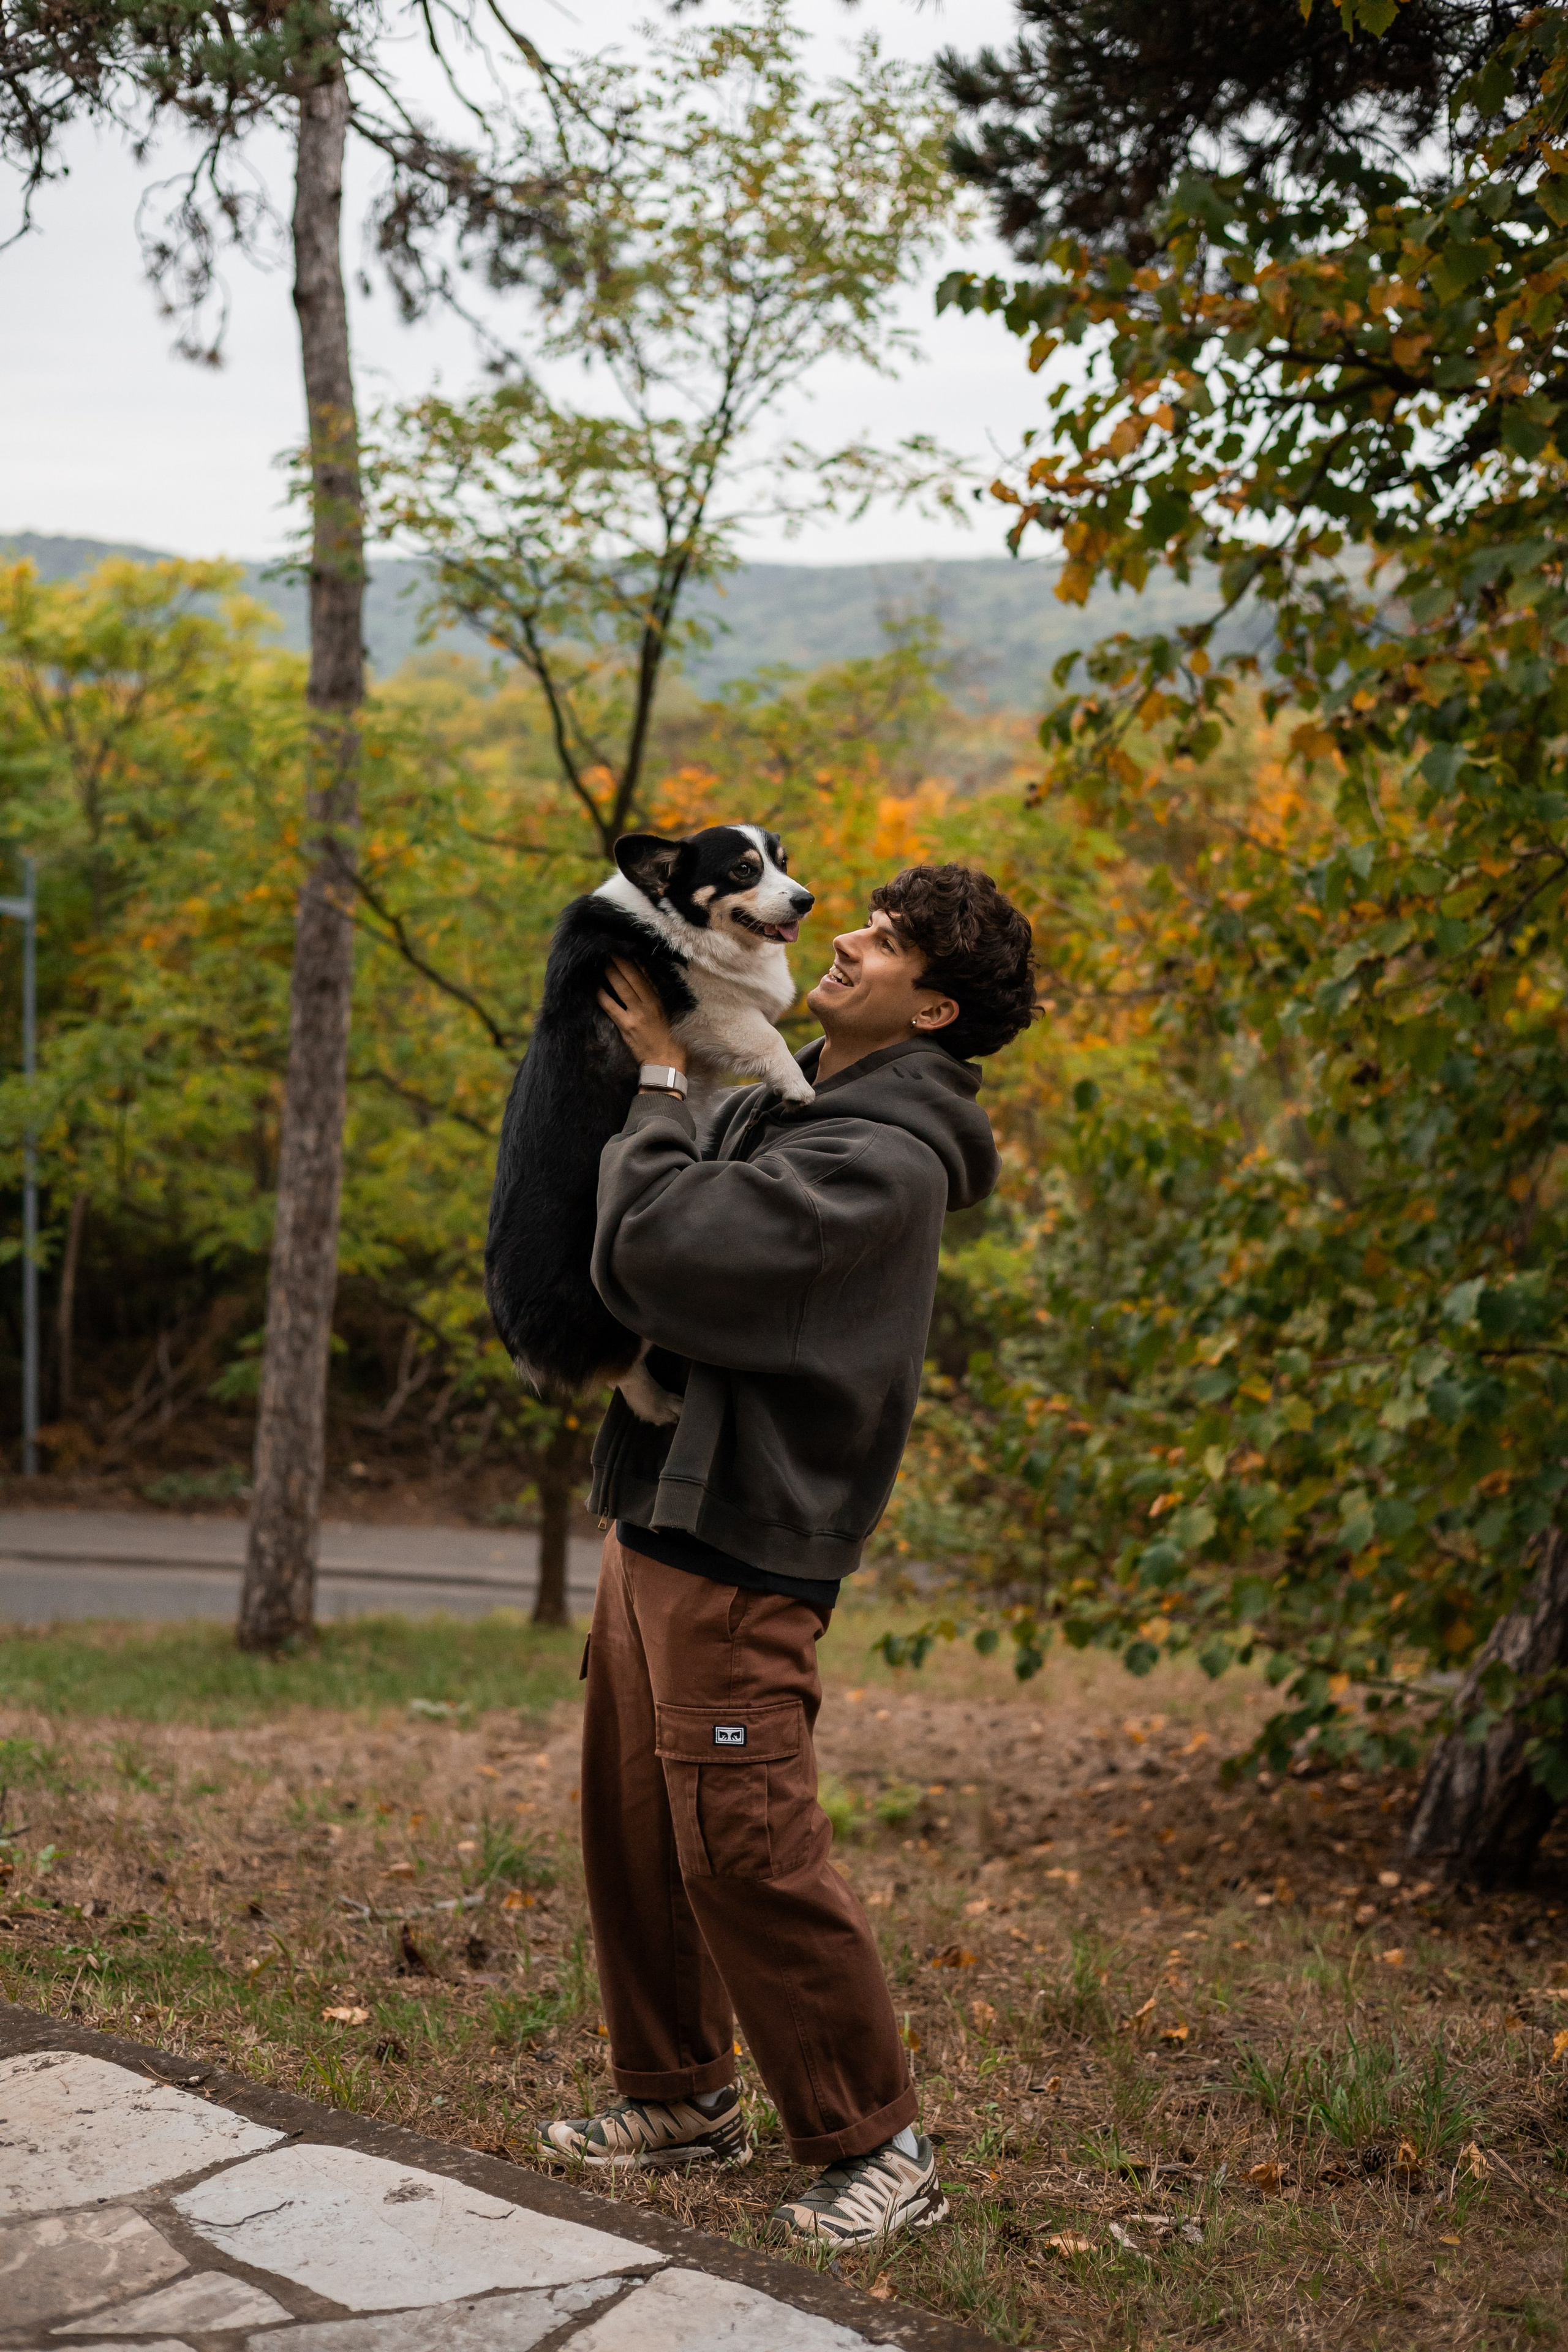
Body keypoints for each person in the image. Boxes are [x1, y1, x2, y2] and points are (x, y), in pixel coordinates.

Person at [541, 862, 1038, 2247]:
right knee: (638, 1832)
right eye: (869, 922)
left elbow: (656, 1252)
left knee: (745, 1844)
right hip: (661, 1507)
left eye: (888, 944)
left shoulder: (876, 1159)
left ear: (932, 1008)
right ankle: (680, 2095)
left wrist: (651, 1081)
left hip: (747, 1530)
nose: (853, 939)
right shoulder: (785, 1089)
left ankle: (878, 2143)